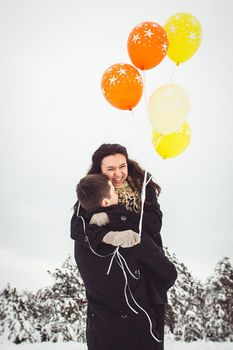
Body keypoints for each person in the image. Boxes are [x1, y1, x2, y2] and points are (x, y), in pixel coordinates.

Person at [70, 144, 168, 347]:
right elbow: (78, 229)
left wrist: (114, 216)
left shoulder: (143, 186)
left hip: (147, 266)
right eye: (110, 169)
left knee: (148, 327)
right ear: (100, 170)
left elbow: (152, 224)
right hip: (112, 277)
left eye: (122, 166)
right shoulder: (95, 192)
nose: (118, 173)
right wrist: (110, 233)